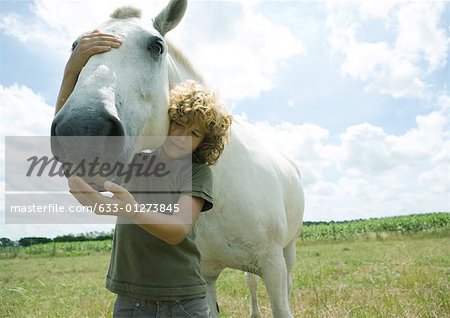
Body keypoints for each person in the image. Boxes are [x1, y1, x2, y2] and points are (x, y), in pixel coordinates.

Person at [56, 31, 233, 317]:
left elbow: (177, 230)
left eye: (195, 133)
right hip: (130, 300)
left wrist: (131, 209)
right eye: (178, 123)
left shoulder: (198, 173)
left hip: (184, 301)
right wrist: (70, 72)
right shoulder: (134, 162)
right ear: (166, 119)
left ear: (205, 141)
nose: (181, 136)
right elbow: (70, 148)